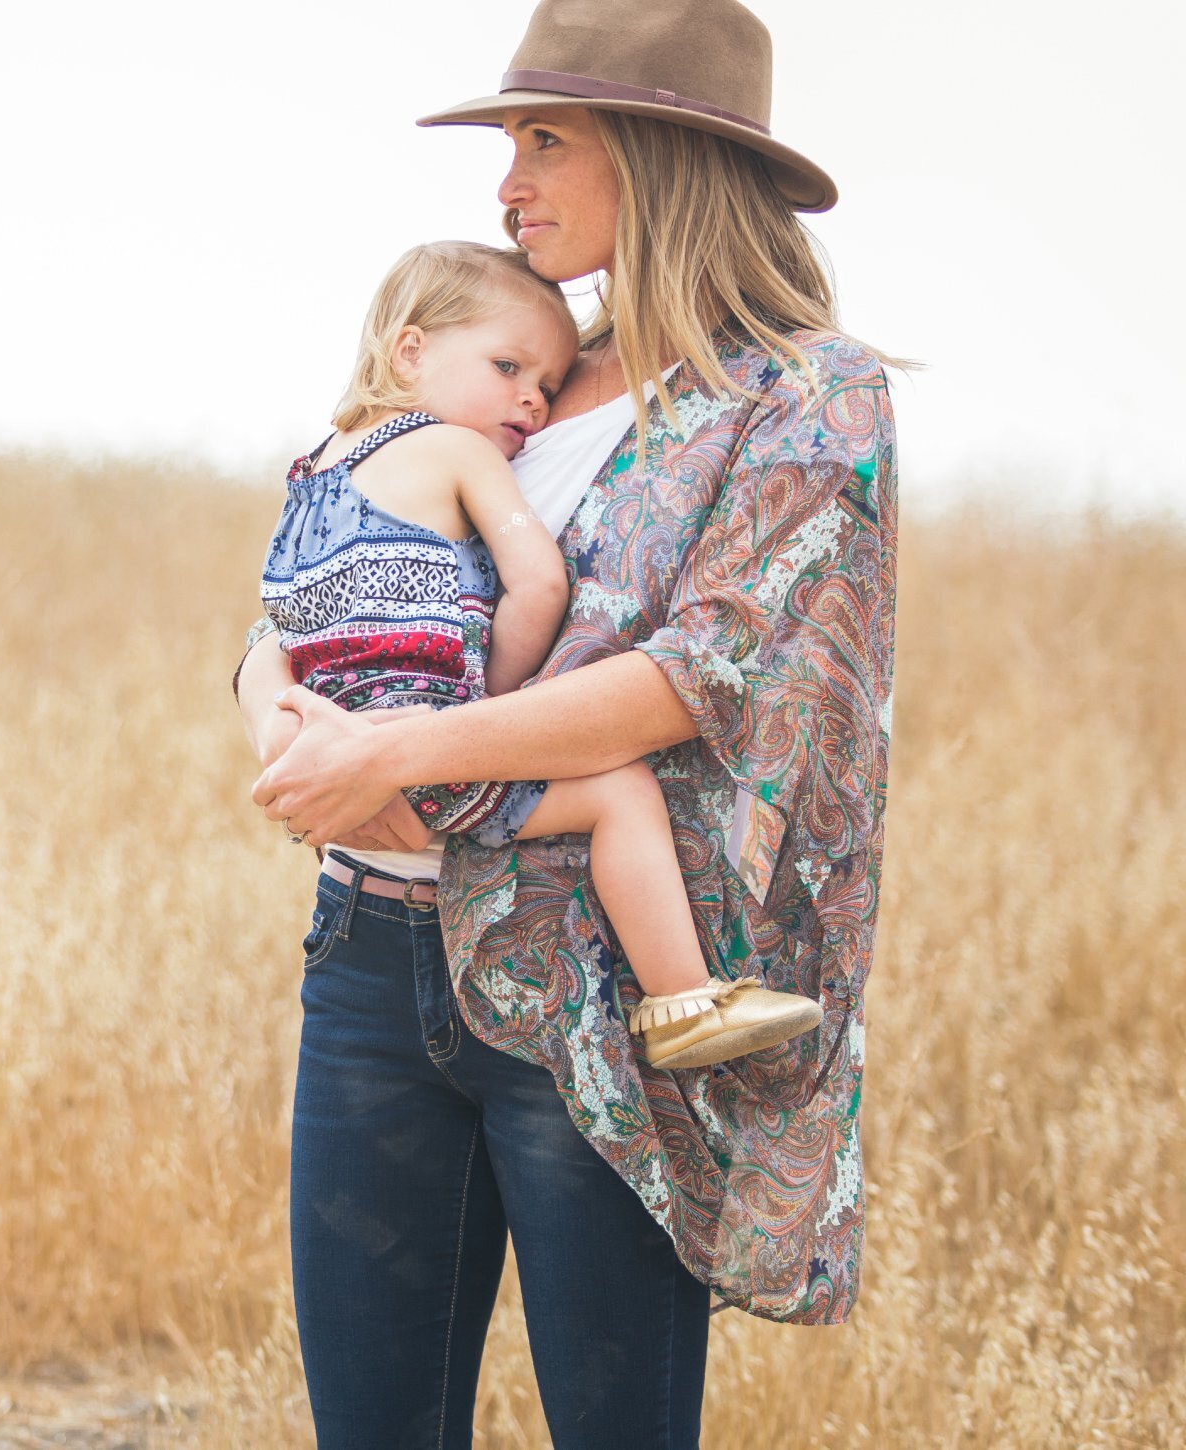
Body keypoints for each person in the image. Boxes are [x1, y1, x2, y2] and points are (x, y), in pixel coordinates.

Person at [237, 1, 898, 1445]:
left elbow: (698, 674)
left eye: (546, 137)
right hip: (370, 956)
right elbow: (321, 578)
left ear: (660, 156)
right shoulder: (503, 366)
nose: (508, 180)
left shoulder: (799, 396)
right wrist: (276, 716)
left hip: (595, 986)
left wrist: (396, 751)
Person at [260, 238, 823, 1071]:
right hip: (429, 757)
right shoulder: (461, 450)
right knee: (622, 794)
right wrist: (489, 709)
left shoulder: (313, 472)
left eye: (547, 386)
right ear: (410, 350)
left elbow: (281, 623)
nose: (530, 400)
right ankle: (683, 1003)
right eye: (508, 367)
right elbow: (541, 587)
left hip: (342, 776)